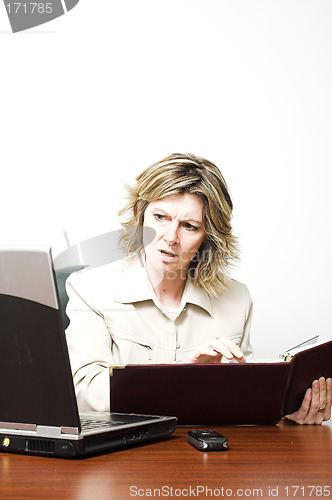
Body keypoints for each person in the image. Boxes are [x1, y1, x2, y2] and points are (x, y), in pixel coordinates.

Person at [65, 153, 332, 424]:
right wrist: (184, 376)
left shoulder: (237, 299)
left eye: (189, 226)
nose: (170, 238)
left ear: (208, 237)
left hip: (208, 459)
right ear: (140, 214)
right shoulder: (89, 288)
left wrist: (288, 414)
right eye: (160, 217)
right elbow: (83, 394)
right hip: (123, 455)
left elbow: (244, 410)